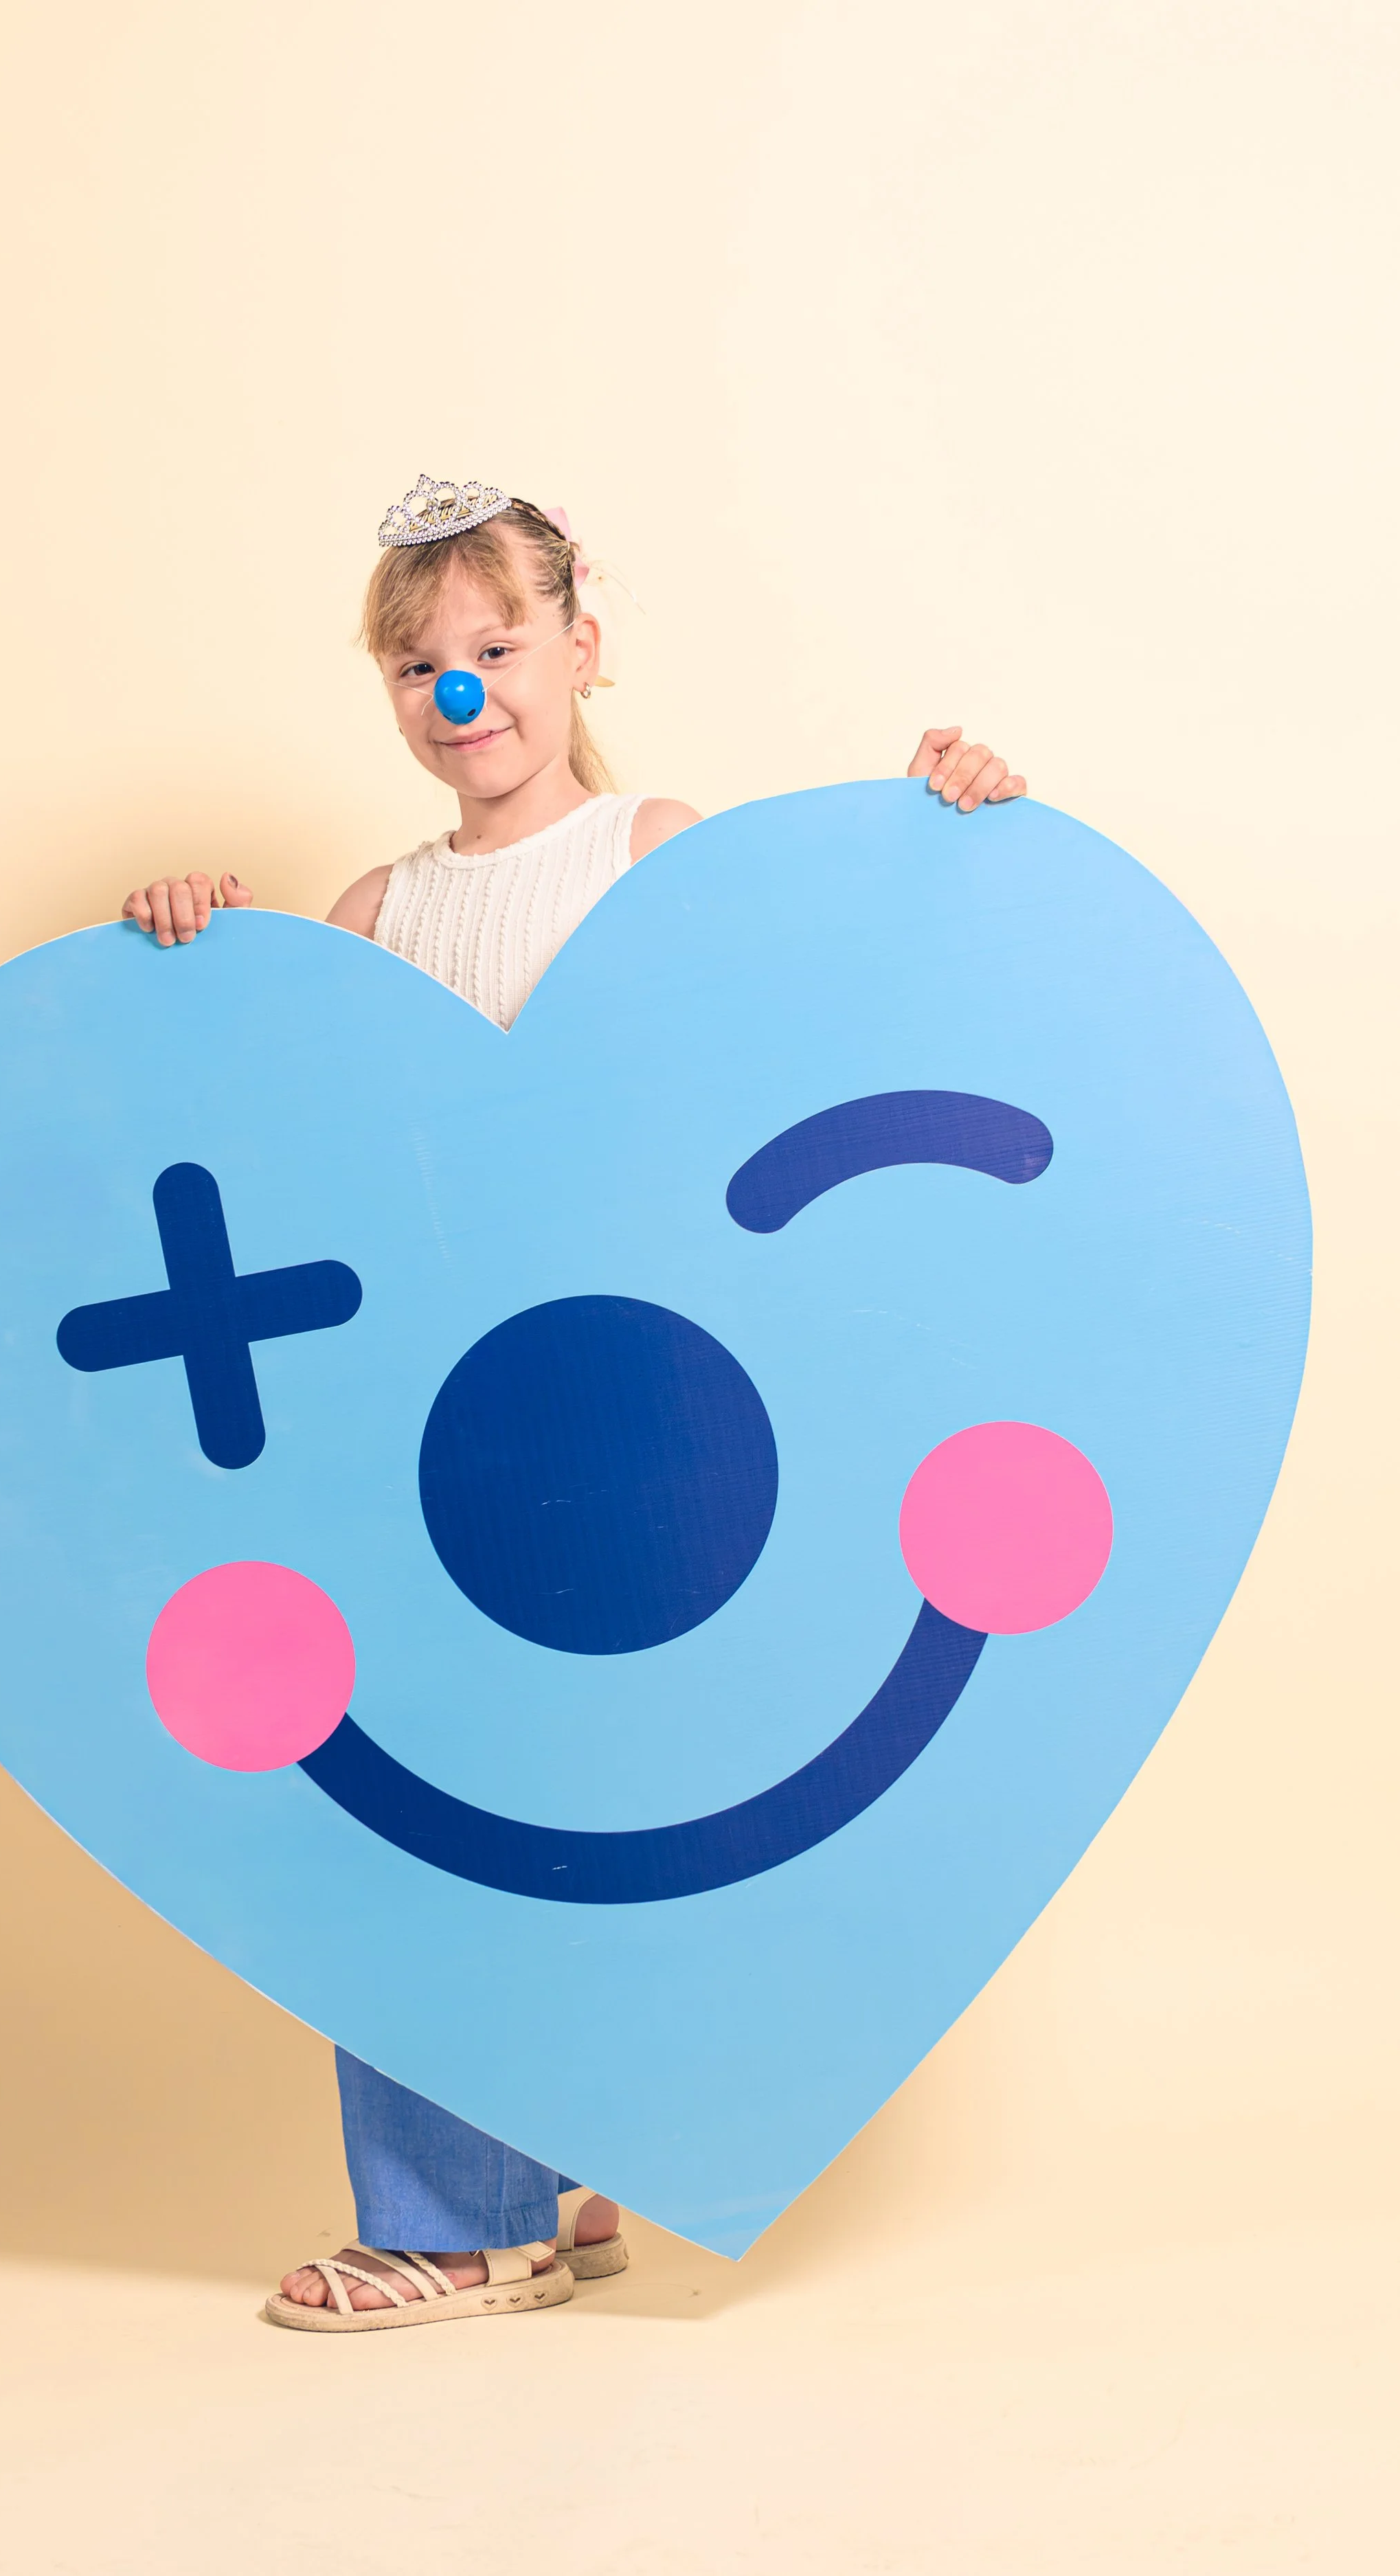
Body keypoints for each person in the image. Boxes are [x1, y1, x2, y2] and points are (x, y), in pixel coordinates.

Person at [121, 473, 1028, 2329]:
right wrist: (202, 955)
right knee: (415, 1792)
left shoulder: (652, 849)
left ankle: (533, 2170)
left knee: (603, 1786)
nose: (459, 694)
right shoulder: (374, 905)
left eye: (495, 646)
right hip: (438, 1423)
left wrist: (942, 828)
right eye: (416, 665)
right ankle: (470, 2199)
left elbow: (811, 1016)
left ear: (580, 641)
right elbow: (280, 1130)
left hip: (639, 1409)